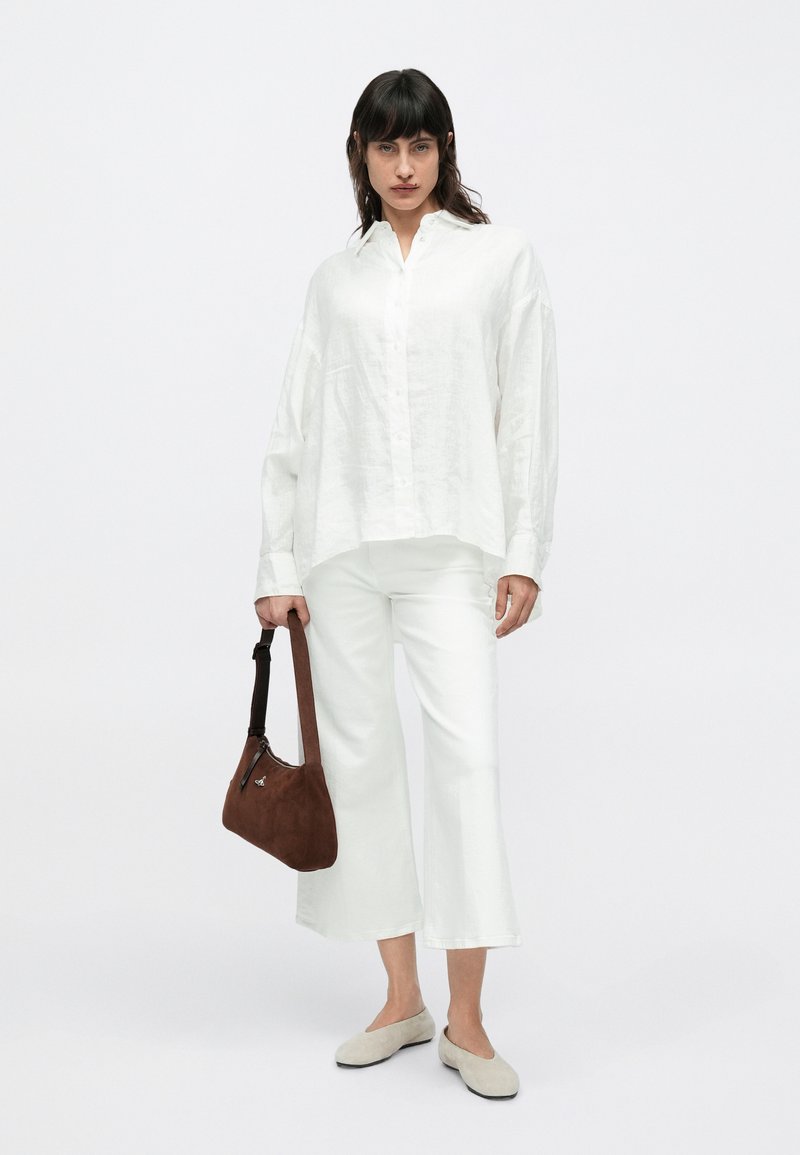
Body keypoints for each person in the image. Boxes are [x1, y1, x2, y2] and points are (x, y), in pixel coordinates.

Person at [253, 68, 558, 1100]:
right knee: (363, 771)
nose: (402, 165)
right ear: (360, 155)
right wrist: (277, 564)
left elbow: (527, 410)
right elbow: (295, 423)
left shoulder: (498, 259)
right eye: (384, 146)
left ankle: (467, 1018)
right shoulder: (334, 279)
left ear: (444, 149)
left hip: (451, 553)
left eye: (418, 144)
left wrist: (523, 549)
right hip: (340, 555)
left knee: (466, 761)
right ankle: (400, 998)